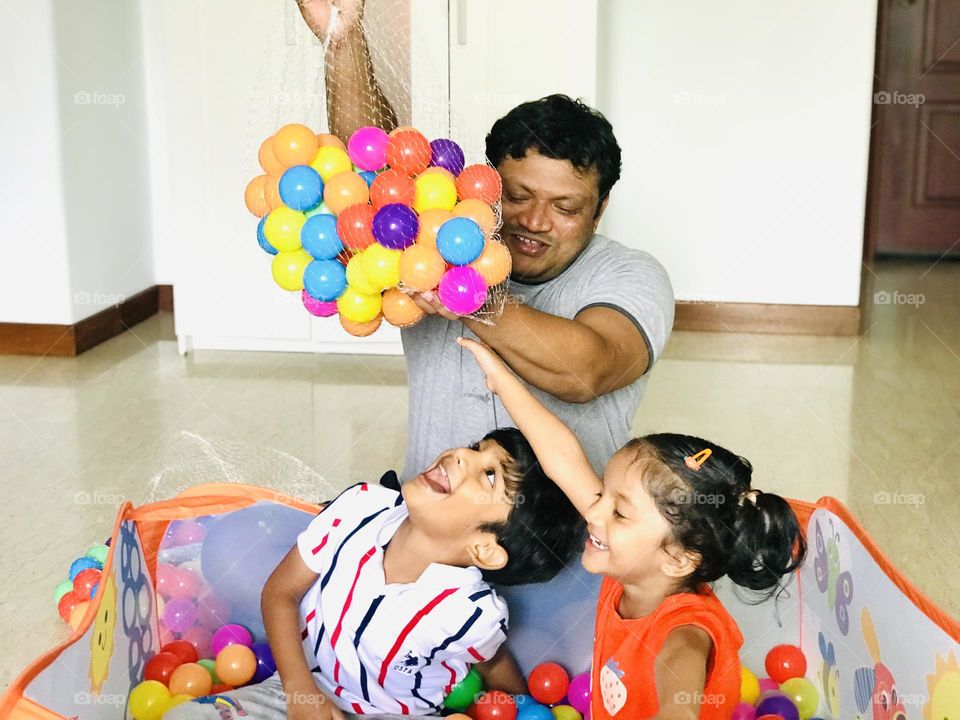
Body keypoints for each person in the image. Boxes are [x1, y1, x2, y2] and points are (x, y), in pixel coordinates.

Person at [296, 0, 674, 672]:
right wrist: (343, 36)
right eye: (517, 195)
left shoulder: (631, 275)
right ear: (485, 183)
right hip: (431, 548)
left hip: (563, 571)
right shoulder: (442, 238)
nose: (532, 221)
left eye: (565, 208)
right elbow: (371, 174)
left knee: (554, 688)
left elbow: (588, 367)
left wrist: (465, 294)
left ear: (602, 206)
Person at [460, 337, 807, 719]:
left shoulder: (688, 628)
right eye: (603, 495)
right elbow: (561, 455)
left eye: (619, 512)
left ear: (677, 559)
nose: (593, 513)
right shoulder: (634, 566)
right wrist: (502, 381)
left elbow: (681, 689)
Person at [166, 429, 582, 720]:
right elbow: (280, 593)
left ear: (485, 549)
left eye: (488, 475)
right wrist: (299, 692)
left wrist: (528, 708)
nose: (462, 456)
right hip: (291, 693)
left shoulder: (472, 612)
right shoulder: (359, 509)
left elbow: (494, 663)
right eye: (476, 448)